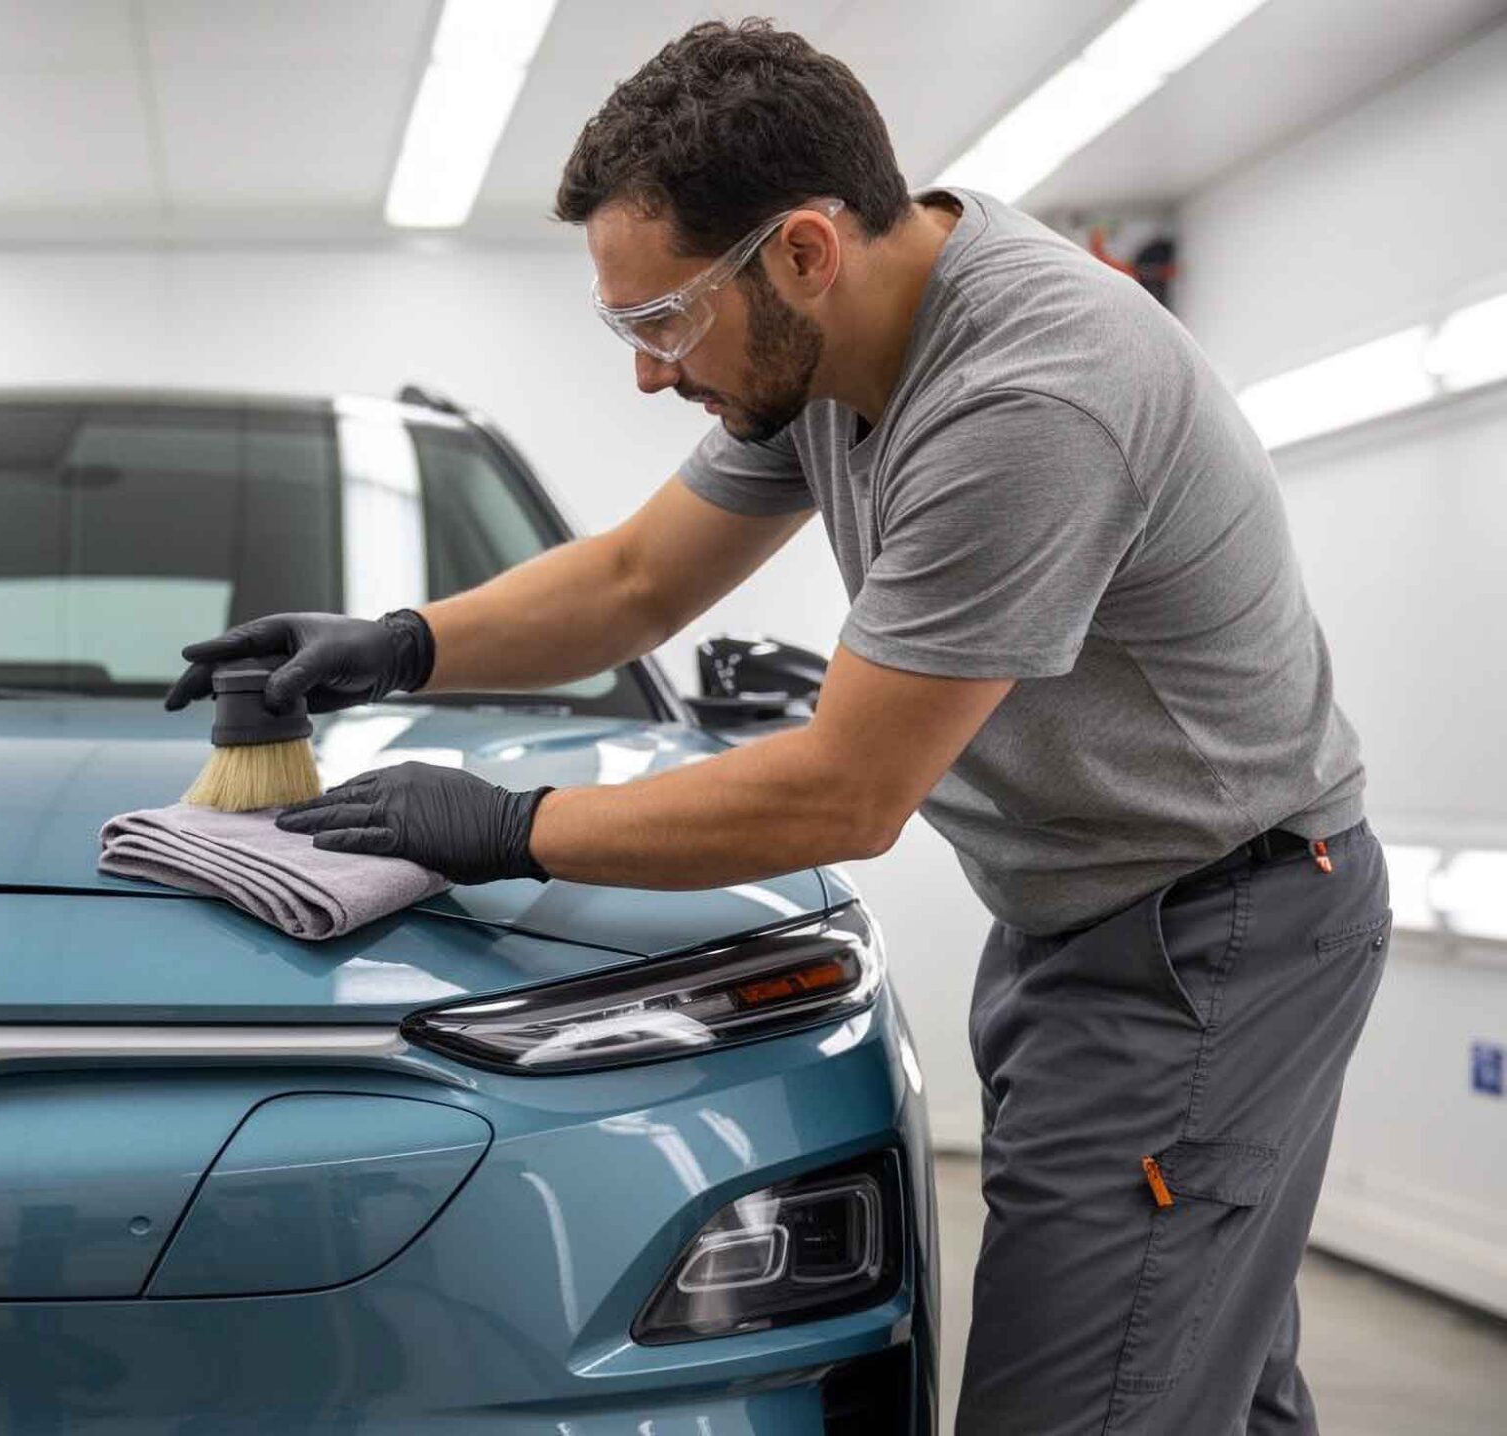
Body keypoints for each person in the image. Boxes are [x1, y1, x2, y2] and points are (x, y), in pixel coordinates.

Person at [165, 20, 1385, 1435]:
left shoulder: (1029, 398)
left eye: (658, 319)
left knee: (1088, 1403)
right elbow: (636, 582)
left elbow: (848, 791)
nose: (645, 370)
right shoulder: (829, 350)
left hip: (1213, 940)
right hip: (1092, 914)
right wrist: (399, 645)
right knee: (1209, 1377)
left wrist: (506, 830)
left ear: (804, 250)